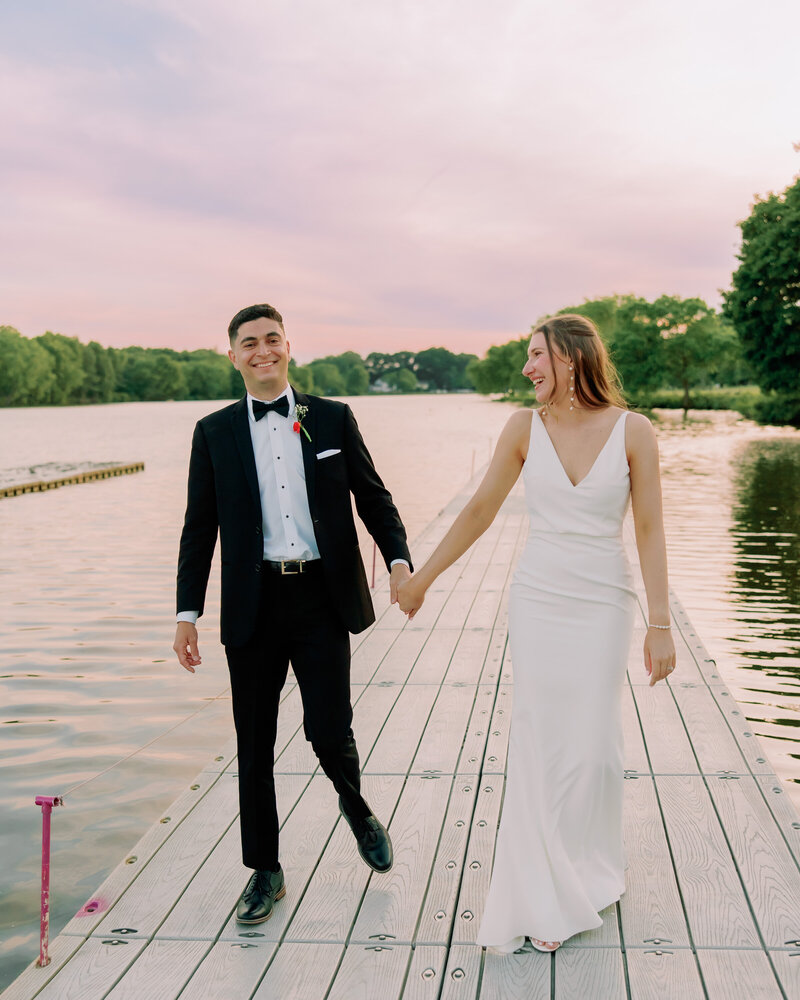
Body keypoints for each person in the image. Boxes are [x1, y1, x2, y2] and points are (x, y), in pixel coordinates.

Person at [397, 314, 676, 953]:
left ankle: (588, 868)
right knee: (541, 740)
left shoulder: (635, 431)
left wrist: (660, 624)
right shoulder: (524, 428)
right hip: (539, 598)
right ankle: (542, 890)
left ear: (572, 358)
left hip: (605, 599)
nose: (526, 369)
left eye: (536, 356)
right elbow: (479, 510)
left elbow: (651, 530)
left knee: (591, 745)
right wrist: (424, 578)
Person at [173, 303, 412, 925]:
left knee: (329, 729)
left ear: (288, 346)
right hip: (253, 605)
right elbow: (199, 530)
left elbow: (373, 497)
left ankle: (356, 808)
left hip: (319, 599)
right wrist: (186, 613)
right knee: (252, 744)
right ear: (233, 356)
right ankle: (265, 870)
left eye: (271, 339)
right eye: (248, 343)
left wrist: (399, 561)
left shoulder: (331, 418)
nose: (262, 351)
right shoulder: (213, 432)